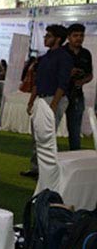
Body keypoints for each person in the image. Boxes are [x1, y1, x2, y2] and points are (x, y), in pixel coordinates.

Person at [21, 24, 73, 178]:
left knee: (46, 136)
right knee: (37, 135)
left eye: (48, 36)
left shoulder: (64, 58)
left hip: (55, 98)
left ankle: (47, 170)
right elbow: (37, 82)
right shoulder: (44, 57)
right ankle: (36, 168)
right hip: (41, 99)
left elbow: (63, 84)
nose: (45, 38)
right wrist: (31, 101)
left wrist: (53, 105)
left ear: (58, 39)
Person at [63, 23, 93, 151]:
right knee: (50, 126)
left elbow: (90, 75)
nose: (79, 38)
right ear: (68, 37)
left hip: (77, 95)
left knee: (75, 128)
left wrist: (82, 81)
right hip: (59, 94)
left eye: (81, 35)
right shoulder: (61, 52)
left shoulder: (86, 53)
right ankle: (46, 157)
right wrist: (68, 73)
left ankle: (75, 155)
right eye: (75, 35)